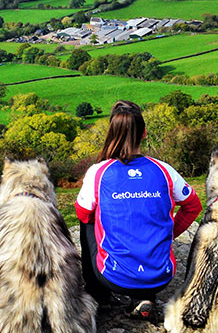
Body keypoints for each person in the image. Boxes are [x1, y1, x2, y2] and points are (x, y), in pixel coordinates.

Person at [74, 100, 202, 319]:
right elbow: (193, 206)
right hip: (161, 276)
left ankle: (99, 295)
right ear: (144, 133)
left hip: (112, 277)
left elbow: (83, 213)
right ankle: (144, 298)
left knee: (89, 220)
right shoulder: (164, 170)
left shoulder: (99, 172)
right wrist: (168, 234)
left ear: (112, 133)